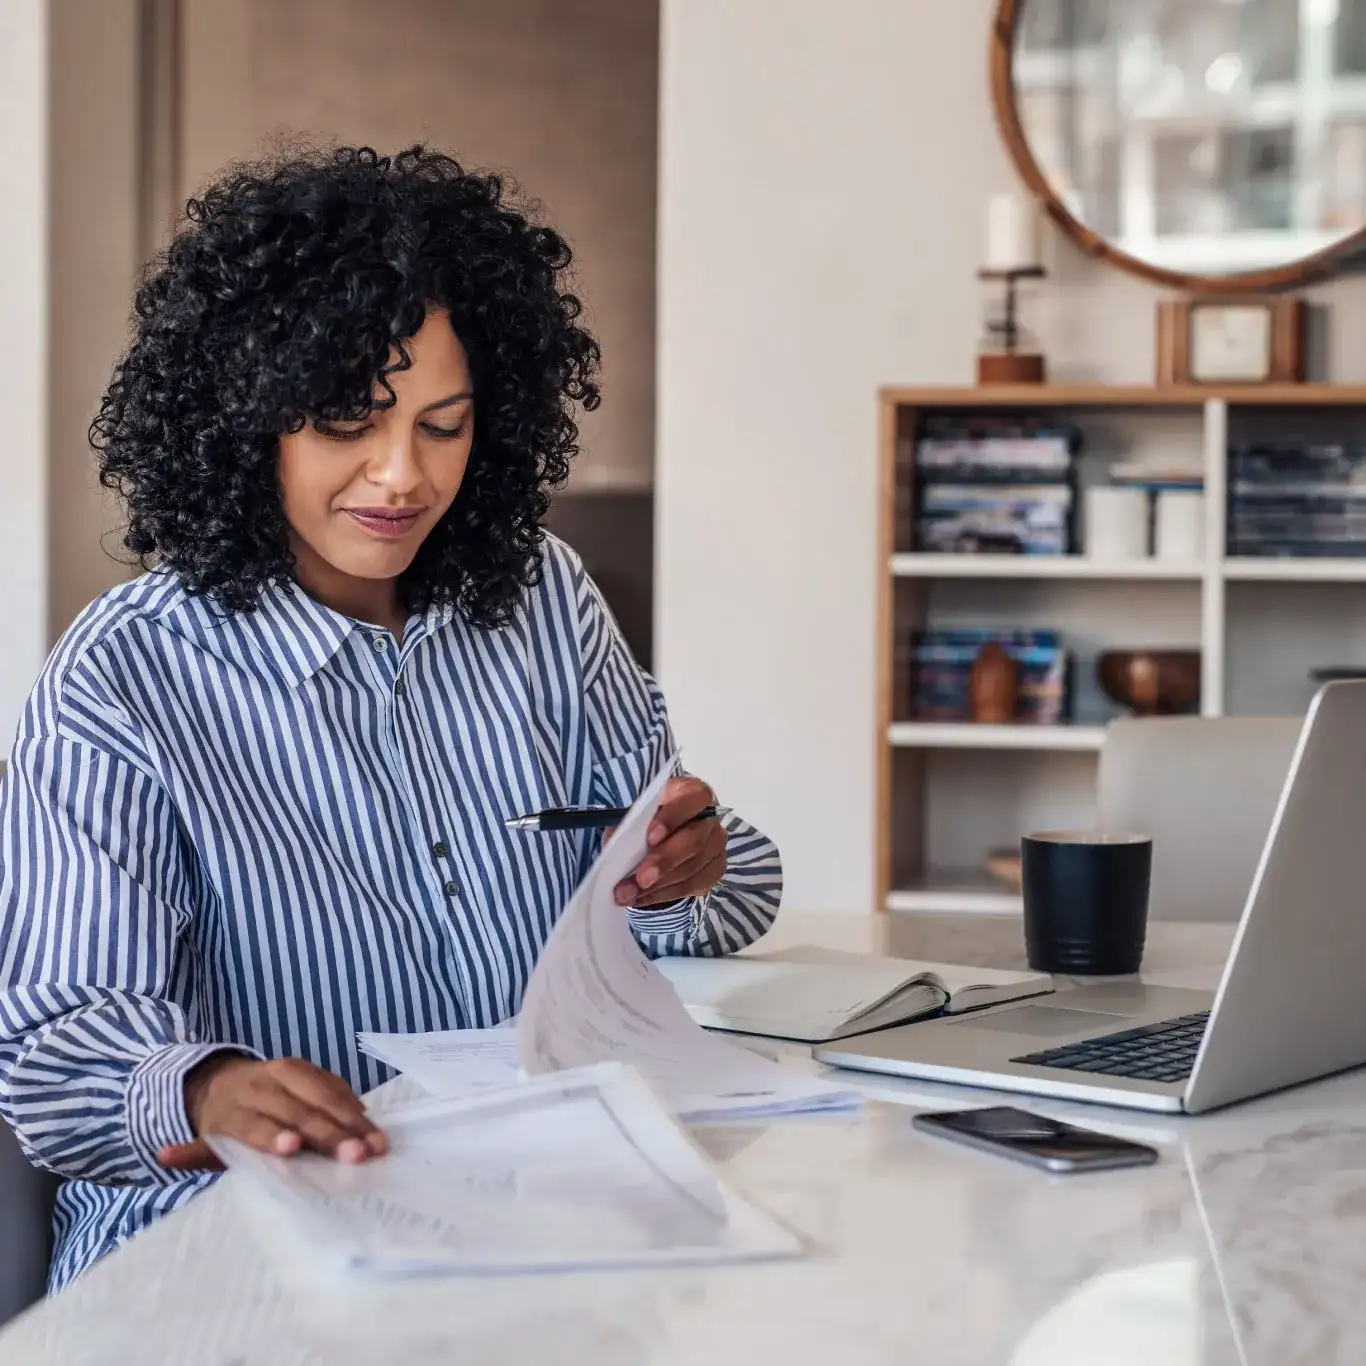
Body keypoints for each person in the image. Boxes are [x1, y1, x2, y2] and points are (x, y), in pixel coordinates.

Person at [0, 145, 781, 1288]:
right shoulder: (124, 676)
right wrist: (209, 1087)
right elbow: (57, 1052)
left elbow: (684, 912)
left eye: (443, 424)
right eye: (346, 422)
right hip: (224, 1263)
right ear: (247, 419)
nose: (399, 476)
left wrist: (688, 867)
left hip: (532, 1226)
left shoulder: (545, 600)